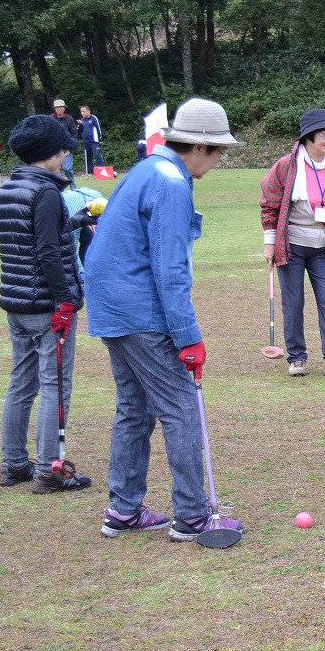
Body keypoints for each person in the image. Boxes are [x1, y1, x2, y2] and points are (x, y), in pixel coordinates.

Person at [84, 98, 246, 541]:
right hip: (141, 312)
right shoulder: (171, 182)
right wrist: (188, 336)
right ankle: (193, 515)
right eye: (218, 153)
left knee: (134, 409)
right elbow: (169, 269)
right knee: (181, 409)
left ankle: (123, 509)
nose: (218, 162)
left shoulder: (145, 169)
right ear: (198, 147)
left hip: (112, 308)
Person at [0, 114, 98, 493]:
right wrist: (67, 300)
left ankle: (13, 464)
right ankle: (48, 472)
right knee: (55, 385)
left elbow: (34, 236)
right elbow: (48, 253)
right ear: (54, 153)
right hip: (47, 306)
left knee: (21, 383)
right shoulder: (48, 191)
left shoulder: (9, 188)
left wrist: (75, 221)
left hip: (17, 303)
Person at [261, 109, 325, 379]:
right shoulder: (286, 165)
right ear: (308, 137)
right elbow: (269, 205)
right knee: (293, 302)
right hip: (292, 244)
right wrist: (270, 243)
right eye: (324, 134)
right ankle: (297, 358)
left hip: (324, 244)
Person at [50, 99, 78, 183]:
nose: (59, 109)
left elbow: (74, 133)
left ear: (64, 108)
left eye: (61, 107)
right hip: (54, 149)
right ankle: (59, 185)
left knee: (67, 168)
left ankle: (72, 183)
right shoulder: (50, 118)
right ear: (54, 109)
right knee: (54, 170)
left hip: (67, 149)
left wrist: (73, 144)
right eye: (57, 108)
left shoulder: (69, 119)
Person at [78, 105, 106, 174]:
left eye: (84, 111)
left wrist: (100, 139)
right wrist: (80, 125)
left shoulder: (93, 118)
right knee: (87, 157)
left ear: (88, 111)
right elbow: (78, 130)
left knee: (97, 155)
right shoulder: (82, 120)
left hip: (94, 141)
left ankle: (102, 171)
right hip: (85, 142)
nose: (82, 113)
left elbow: (99, 128)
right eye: (81, 112)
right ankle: (90, 172)